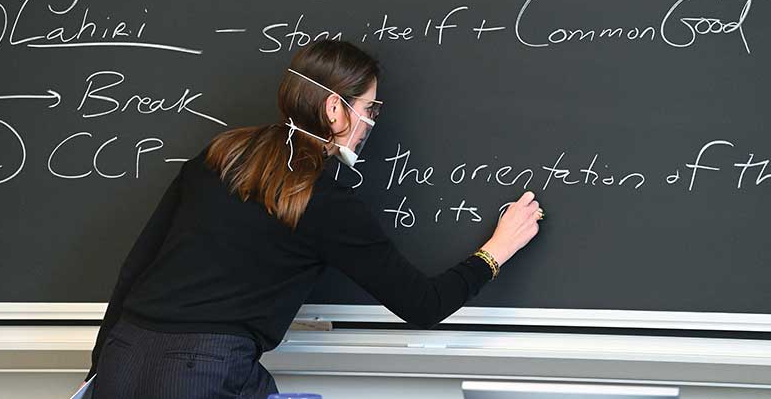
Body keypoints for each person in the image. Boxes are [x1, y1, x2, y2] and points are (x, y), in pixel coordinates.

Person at [82, 40, 543, 399]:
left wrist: (99, 372)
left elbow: (136, 266)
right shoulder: (323, 199)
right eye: (368, 109)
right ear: (333, 109)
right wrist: (497, 249)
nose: (369, 124)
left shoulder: (221, 153)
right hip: (202, 369)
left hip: (125, 353)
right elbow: (422, 304)